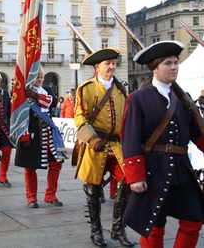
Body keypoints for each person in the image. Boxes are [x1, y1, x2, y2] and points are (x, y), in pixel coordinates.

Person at [121, 40, 204, 248]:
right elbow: (130, 138)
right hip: (153, 171)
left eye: (176, 62)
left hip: (182, 171)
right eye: (168, 63)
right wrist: (135, 176)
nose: (174, 67)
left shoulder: (183, 97)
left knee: (194, 219)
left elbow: (197, 133)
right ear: (155, 67)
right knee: (154, 227)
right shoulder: (138, 98)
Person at [74, 48, 134, 247]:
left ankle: (118, 228)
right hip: (95, 147)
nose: (111, 66)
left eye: (114, 63)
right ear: (97, 66)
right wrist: (91, 138)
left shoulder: (121, 88)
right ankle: (96, 230)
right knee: (94, 191)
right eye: (107, 63)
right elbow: (79, 117)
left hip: (117, 147)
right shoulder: (86, 88)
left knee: (126, 185)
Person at [14, 66, 67, 209]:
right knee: (30, 167)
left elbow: (54, 103)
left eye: (42, 77)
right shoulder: (23, 93)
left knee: (56, 163)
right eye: (37, 77)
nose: (40, 79)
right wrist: (22, 134)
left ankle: (51, 195)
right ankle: (31, 197)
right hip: (31, 133)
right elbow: (17, 113)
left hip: (48, 131)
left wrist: (36, 95)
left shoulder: (47, 90)